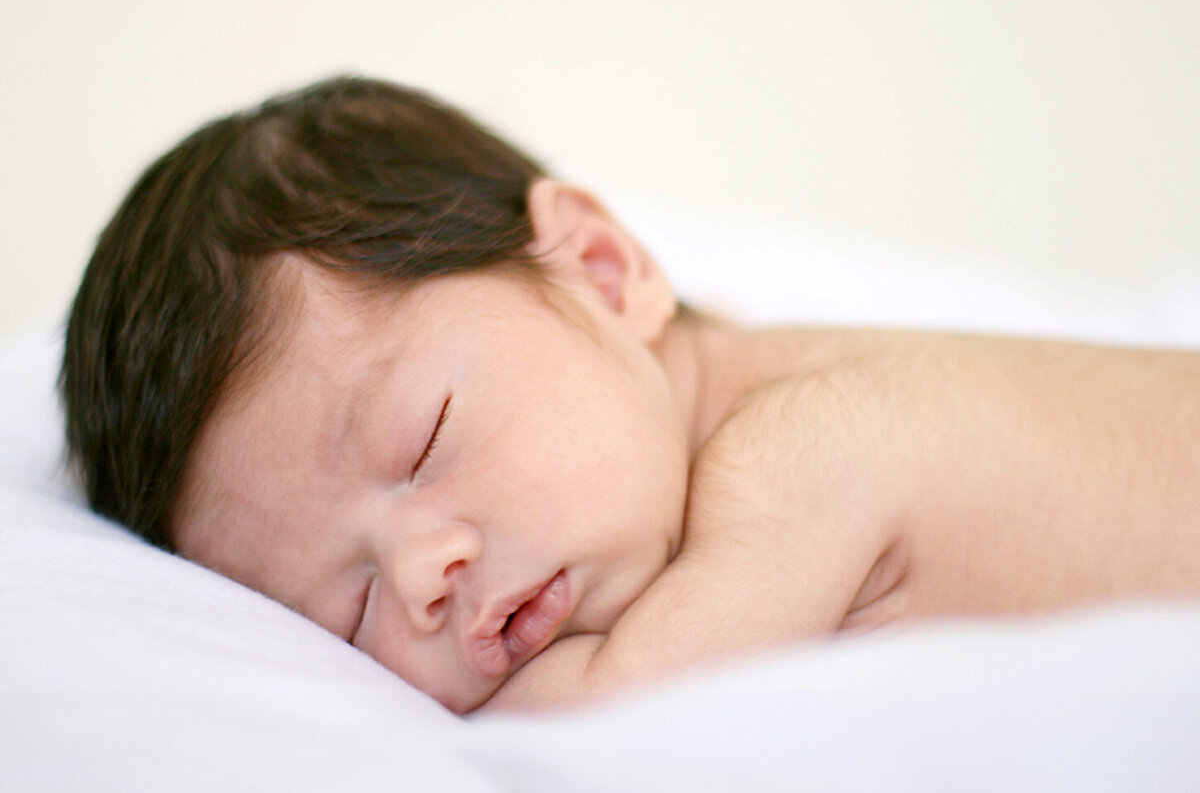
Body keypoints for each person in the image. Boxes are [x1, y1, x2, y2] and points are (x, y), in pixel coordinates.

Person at [60, 76, 1200, 714]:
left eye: (425, 440)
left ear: (604, 273)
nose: (417, 578)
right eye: (344, 611)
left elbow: (614, 721)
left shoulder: (809, 448)